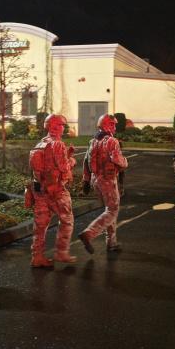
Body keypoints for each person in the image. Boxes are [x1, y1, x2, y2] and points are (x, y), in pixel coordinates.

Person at [28, 114, 77, 268]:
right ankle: (61, 252)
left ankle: (37, 257)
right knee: (67, 220)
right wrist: (72, 160)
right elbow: (64, 168)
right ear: (56, 126)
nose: (63, 128)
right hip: (56, 190)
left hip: (40, 189)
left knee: (40, 225)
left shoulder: (40, 143)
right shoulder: (57, 144)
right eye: (62, 125)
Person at [78, 114, 128, 253]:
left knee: (109, 210)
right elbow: (118, 160)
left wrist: (86, 180)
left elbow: (86, 162)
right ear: (106, 125)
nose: (114, 127)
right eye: (112, 124)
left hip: (96, 180)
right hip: (108, 179)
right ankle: (89, 233)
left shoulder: (93, 141)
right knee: (112, 210)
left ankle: (111, 242)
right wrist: (125, 161)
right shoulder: (111, 141)